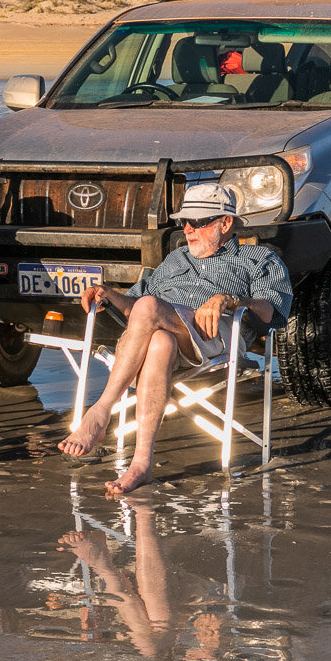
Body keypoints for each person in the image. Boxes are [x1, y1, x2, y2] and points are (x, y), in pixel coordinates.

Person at [57, 183, 292, 494]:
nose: (188, 229)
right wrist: (109, 294)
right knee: (159, 341)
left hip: (214, 336)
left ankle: (100, 411)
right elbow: (135, 308)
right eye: (185, 222)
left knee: (150, 307)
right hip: (164, 333)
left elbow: (273, 311)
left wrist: (232, 299)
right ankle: (141, 463)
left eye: (198, 222)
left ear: (225, 223)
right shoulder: (176, 259)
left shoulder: (259, 258)